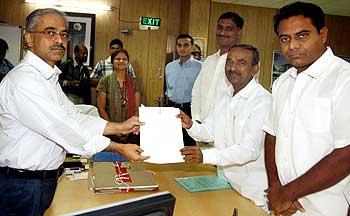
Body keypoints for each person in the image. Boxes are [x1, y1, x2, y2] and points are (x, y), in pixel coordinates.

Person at [0, 8, 148, 216]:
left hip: (40, 181)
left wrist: (119, 126)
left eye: (63, 34)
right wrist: (118, 148)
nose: (58, 40)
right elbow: (64, 128)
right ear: (29, 38)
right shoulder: (24, 81)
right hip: (21, 185)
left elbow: (74, 116)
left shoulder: (47, 79)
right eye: (49, 33)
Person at [263, 2, 350, 215]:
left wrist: (287, 193)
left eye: (302, 35)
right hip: (286, 207)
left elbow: (345, 154)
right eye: (285, 39)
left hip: (326, 208)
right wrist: (275, 187)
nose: (292, 46)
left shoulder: (344, 79)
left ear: (323, 34)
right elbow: (271, 135)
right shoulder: (282, 82)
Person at [179, 44, 271, 207]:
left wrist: (205, 156)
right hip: (227, 183)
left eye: (241, 62)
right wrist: (190, 125)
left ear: (255, 69)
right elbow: (210, 131)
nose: (232, 68)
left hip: (253, 192)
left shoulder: (263, 101)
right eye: (229, 62)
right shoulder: (225, 95)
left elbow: (248, 151)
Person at [191, 12, 244, 122]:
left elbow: (245, 99)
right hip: (202, 129)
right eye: (219, 28)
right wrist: (196, 118)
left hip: (227, 131)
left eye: (229, 29)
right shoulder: (208, 61)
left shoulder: (244, 62)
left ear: (238, 31)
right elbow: (196, 92)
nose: (222, 33)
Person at [96, 49, 141, 144]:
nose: (121, 61)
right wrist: (114, 129)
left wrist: (131, 127)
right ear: (112, 62)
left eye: (124, 59)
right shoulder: (105, 81)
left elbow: (137, 108)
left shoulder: (134, 82)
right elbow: (101, 108)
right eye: (118, 59)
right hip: (110, 131)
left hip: (130, 131)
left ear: (128, 63)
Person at [165, 34, 201, 146]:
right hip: (172, 108)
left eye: (186, 45)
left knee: (188, 143)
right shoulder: (169, 67)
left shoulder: (200, 67)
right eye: (179, 45)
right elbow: (168, 88)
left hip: (190, 109)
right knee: (170, 141)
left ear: (192, 47)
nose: (182, 48)